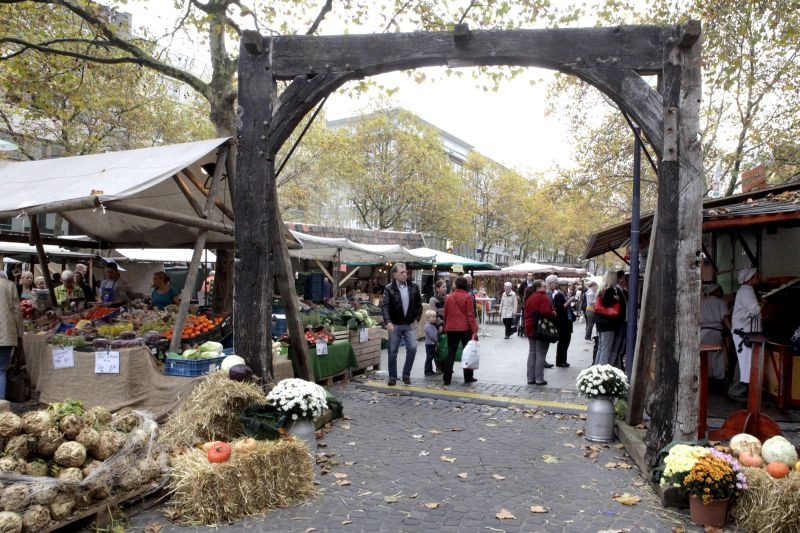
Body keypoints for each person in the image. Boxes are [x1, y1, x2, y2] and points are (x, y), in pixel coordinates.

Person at [381, 263, 422, 386]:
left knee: (412, 348)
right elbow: (385, 306)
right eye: (402, 272)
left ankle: (406, 375)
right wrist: (388, 322)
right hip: (395, 324)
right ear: (395, 275)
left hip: (410, 324)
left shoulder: (414, 287)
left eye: (405, 272)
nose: (405, 274)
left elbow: (419, 305)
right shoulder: (389, 288)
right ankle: (392, 377)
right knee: (392, 351)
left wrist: (417, 319)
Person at [727, 267, 762, 402]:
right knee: (744, 363)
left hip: (742, 332)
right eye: (756, 276)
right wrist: (764, 304)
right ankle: (736, 391)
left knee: (743, 362)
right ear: (750, 279)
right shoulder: (747, 290)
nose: (758, 278)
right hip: (743, 333)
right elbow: (755, 310)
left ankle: (737, 390)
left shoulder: (744, 290)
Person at [443, 276, 478, 386]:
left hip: (451, 328)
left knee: (451, 352)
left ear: (456, 285)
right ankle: (468, 377)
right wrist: (474, 331)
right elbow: (470, 316)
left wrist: (445, 327)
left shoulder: (449, 297)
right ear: (466, 285)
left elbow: (445, 314)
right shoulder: (467, 297)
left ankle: (447, 379)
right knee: (467, 352)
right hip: (464, 328)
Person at [524, 280, 556, 386]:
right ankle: (539, 379)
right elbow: (545, 311)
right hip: (540, 328)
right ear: (538, 287)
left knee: (532, 352)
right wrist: (553, 313)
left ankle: (530, 378)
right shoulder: (543, 297)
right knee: (541, 353)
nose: (545, 288)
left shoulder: (530, 297)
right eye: (544, 286)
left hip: (529, 326)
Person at [700, 283, 730, 384]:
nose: (721, 292)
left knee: (705, 357)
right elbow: (724, 318)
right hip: (714, 332)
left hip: (702, 333)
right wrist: (731, 330)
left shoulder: (702, 303)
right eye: (719, 290)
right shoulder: (721, 302)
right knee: (715, 357)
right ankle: (714, 381)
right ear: (715, 291)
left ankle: (705, 379)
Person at [0, 276, 24, 400]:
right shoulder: (10, 285)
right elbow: (17, 312)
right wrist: (20, 333)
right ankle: (1, 403)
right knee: (1, 370)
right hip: (6, 333)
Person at [594, 271, 624, 366]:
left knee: (601, 348)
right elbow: (607, 303)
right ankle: (602, 370)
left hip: (600, 323)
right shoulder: (610, 290)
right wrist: (616, 299)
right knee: (606, 349)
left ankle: (596, 368)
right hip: (608, 324)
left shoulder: (601, 289)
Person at [553, 279, 576, 368]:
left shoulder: (565, 295)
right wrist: (569, 301)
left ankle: (563, 360)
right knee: (562, 342)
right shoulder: (558, 295)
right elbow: (559, 308)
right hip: (562, 322)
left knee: (566, 341)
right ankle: (560, 361)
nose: (567, 287)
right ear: (561, 286)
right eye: (565, 285)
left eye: (567, 285)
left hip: (567, 321)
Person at [423, 309, 439, 377]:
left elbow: (435, 333)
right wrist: (436, 341)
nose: (435, 318)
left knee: (431, 357)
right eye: (433, 317)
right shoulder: (428, 326)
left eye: (435, 317)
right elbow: (432, 335)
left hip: (432, 344)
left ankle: (430, 370)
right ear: (427, 318)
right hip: (429, 344)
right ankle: (427, 371)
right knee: (429, 357)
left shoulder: (432, 325)